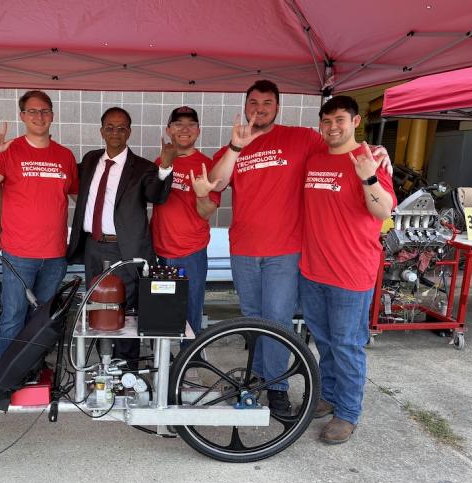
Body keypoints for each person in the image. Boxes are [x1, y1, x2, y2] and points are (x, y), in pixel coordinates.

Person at [209, 79, 325, 415]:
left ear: (278, 107)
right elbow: (216, 182)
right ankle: (259, 379)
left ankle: (276, 387)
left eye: (267, 103)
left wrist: (374, 154)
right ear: (246, 106)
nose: (260, 109)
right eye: (254, 103)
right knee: (252, 319)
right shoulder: (236, 145)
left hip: (284, 249)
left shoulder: (301, 138)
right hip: (244, 248)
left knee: (276, 320)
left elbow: (340, 153)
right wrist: (233, 147)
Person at [299, 96, 395, 444]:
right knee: (324, 341)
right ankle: (329, 396)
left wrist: (369, 177)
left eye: (340, 119)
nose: (333, 126)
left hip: (351, 273)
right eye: (326, 121)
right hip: (313, 270)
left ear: (355, 121)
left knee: (347, 344)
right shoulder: (314, 160)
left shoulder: (369, 161)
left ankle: (348, 413)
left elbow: (383, 211)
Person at [0, 90, 78, 360]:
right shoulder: (11, 151)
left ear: (52, 116)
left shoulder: (65, 156)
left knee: (41, 319)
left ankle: (31, 370)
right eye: (32, 111)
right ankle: (3, 377)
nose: (39, 116)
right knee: (13, 316)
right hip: (18, 253)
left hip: (55, 254)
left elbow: (79, 196)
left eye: (44, 111)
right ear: (22, 116)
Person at [67, 107, 174, 367]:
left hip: (125, 249)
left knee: (125, 311)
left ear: (129, 131)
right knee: (98, 306)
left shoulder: (143, 167)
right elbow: (69, 183)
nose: (115, 132)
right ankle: (102, 366)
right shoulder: (91, 160)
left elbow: (156, 195)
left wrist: (166, 166)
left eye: (122, 128)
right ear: (102, 130)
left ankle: (127, 370)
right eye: (110, 127)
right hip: (93, 246)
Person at [150, 106, 220, 342]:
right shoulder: (160, 161)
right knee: (162, 312)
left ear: (198, 131)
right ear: (169, 130)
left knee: (190, 314)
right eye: (178, 124)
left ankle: (188, 362)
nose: (184, 129)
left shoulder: (206, 166)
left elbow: (208, 211)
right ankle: (165, 365)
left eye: (191, 124)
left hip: (190, 253)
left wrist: (202, 194)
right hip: (159, 251)